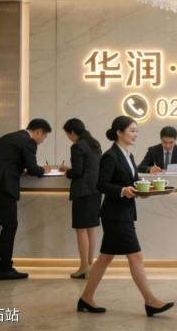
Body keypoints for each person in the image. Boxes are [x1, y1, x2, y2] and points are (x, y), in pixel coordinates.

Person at [77, 116, 174, 316]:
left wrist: (144, 191)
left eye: (136, 131)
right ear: (119, 133)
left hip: (125, 213)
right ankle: (150, 301)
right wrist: (122, 190)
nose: (135, 134)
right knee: (136, 256)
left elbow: (134, 181)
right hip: (115, 215)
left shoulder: (129, 155)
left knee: (105, 258)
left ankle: (86, 298)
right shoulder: (110, 156)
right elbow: (101, 184)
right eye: (132, 130)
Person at [0, 118, 52, 280]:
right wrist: (43, 170)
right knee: (9, 226)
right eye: (44, 137)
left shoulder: (8, 136)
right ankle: (5, 269)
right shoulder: (29, 141)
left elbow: (8, 161)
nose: (42, 141)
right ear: (38, 132)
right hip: (3, 186)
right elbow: (33, 169)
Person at [59, 118, 102, 279]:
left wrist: (67, 172)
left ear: (72, 132)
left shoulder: (77, 146)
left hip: (82, 192)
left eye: (67, 134)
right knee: (91, 229)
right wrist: (70, 169)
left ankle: (83, 267)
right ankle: (89, 264)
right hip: (96, 191)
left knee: (81, 230)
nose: (68, 138)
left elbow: (77, 172)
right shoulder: (94, 144)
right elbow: (89, 168)